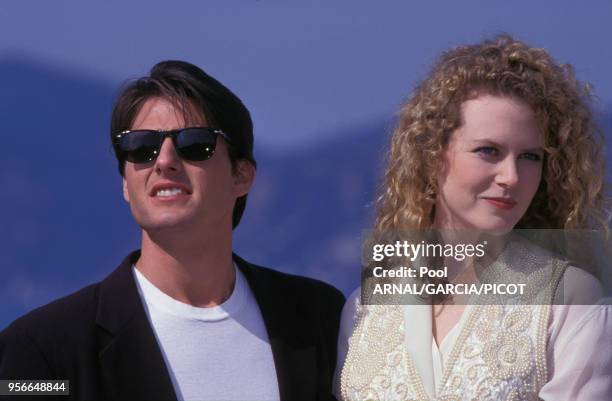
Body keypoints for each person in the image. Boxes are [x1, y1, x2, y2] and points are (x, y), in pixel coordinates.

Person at [0, 60, 345, 401]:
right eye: (140, 146)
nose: (164, 160)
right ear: (125, 182)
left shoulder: (319, 317)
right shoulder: (41, 351)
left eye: (195, 143)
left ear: (241, 176)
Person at [335, 35, 611, 400]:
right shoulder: (364, 308)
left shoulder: (570, 297)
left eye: (531, 157)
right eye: (488, 151)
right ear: (432, 156)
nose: (511, 176)